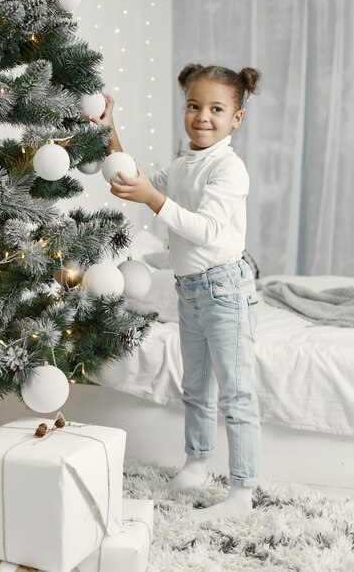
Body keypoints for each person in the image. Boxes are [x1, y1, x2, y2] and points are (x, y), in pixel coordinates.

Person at [90, 64, 261, 522]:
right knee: (196, 386)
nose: (202, 116)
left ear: (236, 118)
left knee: (237, 394)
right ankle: (197, 464)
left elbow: (204, 228)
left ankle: (242, 492)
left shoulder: (229, 169)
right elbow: (139, 180)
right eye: (193, 105)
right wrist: (111, 131)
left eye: (216, 109)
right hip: (191, 291)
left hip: (225, 289)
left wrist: (151, 198)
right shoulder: (186, 162)